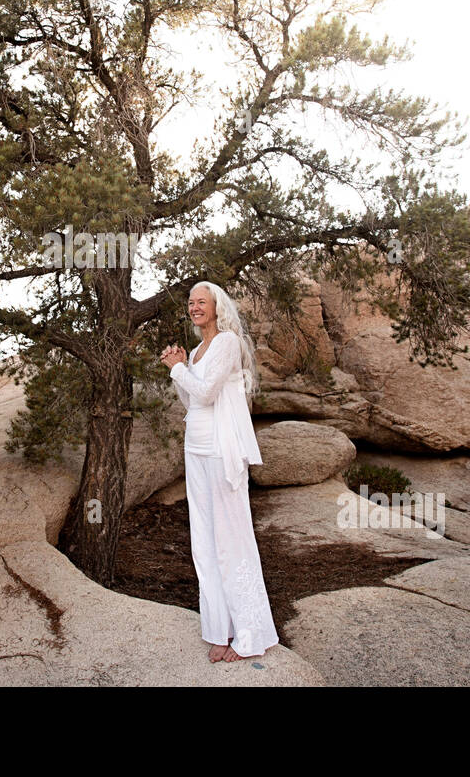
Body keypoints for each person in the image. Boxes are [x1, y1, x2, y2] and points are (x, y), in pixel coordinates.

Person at [159, 281, 280, 663]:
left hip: (219, 449)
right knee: (205, 543)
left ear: (216, 306)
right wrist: (180, 367)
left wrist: (178, 369)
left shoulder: (227, 342)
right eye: (191, 303)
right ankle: (218, 630)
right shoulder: (196, 350)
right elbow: (190, 397)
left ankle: (249, 633)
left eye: (201, 302)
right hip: (194, 449)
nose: (195, 307)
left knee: (230, 541)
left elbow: (209, 392)